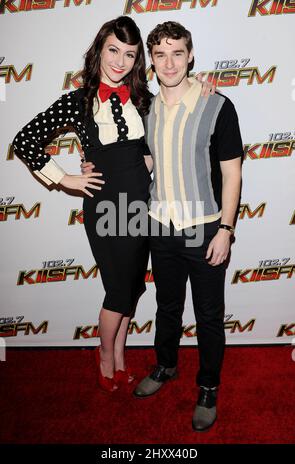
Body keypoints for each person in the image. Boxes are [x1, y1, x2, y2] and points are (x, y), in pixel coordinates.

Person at [12, 16, 153, 392]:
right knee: (119, 291)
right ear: (99, 49)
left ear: (137, 60)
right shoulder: (78, 101)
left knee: (133, 287)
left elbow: (168, 134)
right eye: (113, 50)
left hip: (142, 205)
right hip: (106, 208)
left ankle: (121, 354)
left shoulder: (143, 98)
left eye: (129, 55)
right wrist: (67, 179)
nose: (120, 62)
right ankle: (105, 356)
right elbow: (24, 140)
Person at [130, 21, 243, 432]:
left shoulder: (217, 105)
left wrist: (226, 230)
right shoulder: (146, 109)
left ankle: (209, 387)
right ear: (151, 61)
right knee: (167, 307)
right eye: (160, 54)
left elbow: (233, 175)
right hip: (161, 226)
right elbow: (145, 162)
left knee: (209, 315)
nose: (169, 62)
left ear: (191, 56)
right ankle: (165, 366)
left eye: (178, 52)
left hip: (205, 228)